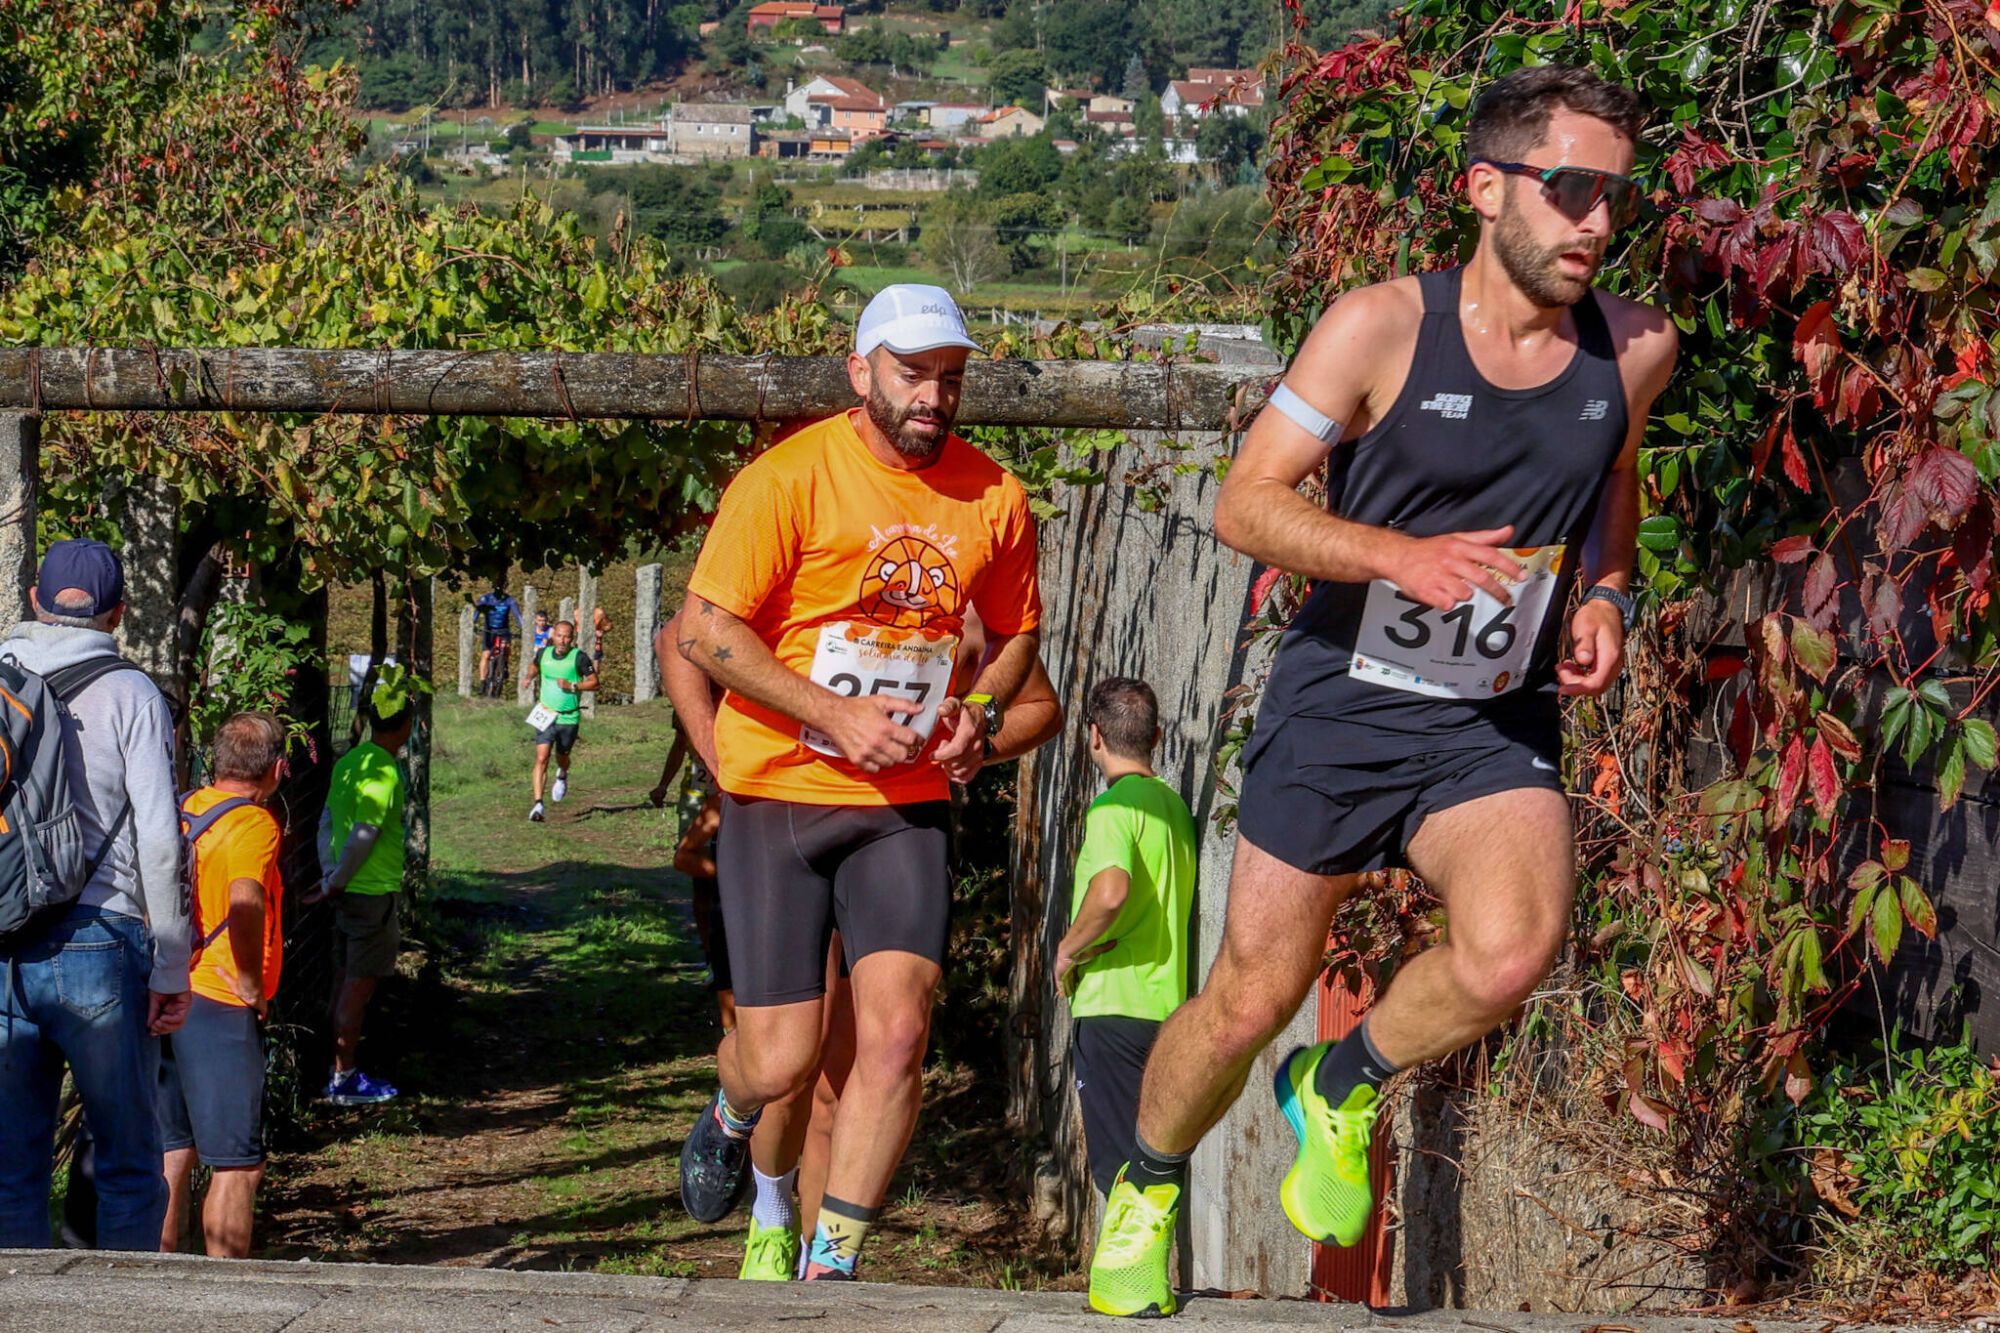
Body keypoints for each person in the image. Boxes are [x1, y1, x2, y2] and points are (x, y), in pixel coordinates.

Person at [1085, 66, 1679, 1318]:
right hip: (1341, 697)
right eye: (1569, 188)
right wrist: (1398, 554)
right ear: (1484, 188)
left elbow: (1610, 484)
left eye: (1614, 197)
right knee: (1250, 994)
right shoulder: (1377, 329)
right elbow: (1244, 502)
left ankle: (1342, 1082)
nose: (1594, 222)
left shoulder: (1632, 348)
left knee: (1512, 948)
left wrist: (1606, 595)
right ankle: (1142, 1185)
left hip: (1489, 713)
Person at [672, 283, 1045, 1284]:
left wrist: (981, 710)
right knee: (784, 1058)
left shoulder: (993, 496)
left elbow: (1016, 637)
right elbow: (704, 630)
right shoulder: (786, 480)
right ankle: (731, 1108)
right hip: (781, 795)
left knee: (895, 1031)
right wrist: (829, 712)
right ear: (860, 371)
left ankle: (829, 1265)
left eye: (950, 379)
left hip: (903, 805)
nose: (933, 395)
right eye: (913, 372)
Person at [0, 538, 188, 1251]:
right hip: (102, 943)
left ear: (34, 600)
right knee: (129, 1165)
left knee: (11, 1170)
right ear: (118, 613)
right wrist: (171, 965)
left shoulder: (2, 675)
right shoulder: (133, 692)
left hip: (5, 942)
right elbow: (162, 842)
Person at [1056, 679, 1196, 1205]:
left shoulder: (1112, 809)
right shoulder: (1173, 809)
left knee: (1117, 1171)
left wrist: (1067, 951)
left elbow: (1112, 891)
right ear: (1156, 736)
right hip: (1168, 1011)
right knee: (1157, 1166)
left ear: (1094, 736)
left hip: (1113, 1008)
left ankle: (1126, 1279)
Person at [157, 711, 288, 1258]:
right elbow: (244, 898)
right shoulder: (255, 824)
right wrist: (252, 981)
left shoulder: (185, 807)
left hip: (167, 991)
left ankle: (158, 1277)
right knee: (238, 1163)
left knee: (172, 1151)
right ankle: (227, 1296)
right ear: (278, 768)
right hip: (217, 999)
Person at [305, 689, 414, 1106]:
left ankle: (333, 1067)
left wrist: (331, 875)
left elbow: (327, 822)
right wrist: (338, 879)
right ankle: (343, 1077)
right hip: (370, 893)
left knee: (342, 980)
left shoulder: (351, 761)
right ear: (405, 724)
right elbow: (364, 832)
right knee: (358, 988)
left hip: (346, 889)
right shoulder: (385, 770)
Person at [525, 619, 596, 823]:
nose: (562, 640)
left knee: (562, 755)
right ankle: (538, 804)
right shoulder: (543, 653)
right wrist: (528, 678)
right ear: (553, 636)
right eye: (559, 635)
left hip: (568, 717)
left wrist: (573, 686)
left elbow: (594, 683)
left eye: (567, 636)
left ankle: (563, 773)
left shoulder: (579, 658)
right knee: (541, 758)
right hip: (546, 713)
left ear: (572, 639)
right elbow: (534, 666)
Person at [474, 582, 523, 697]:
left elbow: (518, 617)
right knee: (486, 655)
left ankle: (504, 664)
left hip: (503, 630)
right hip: (489, 630)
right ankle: (482, 682)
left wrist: (524, 629)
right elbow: (476, 613)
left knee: (506, 648)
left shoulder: (510, 600)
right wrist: (473, 623)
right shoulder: (485, 599)